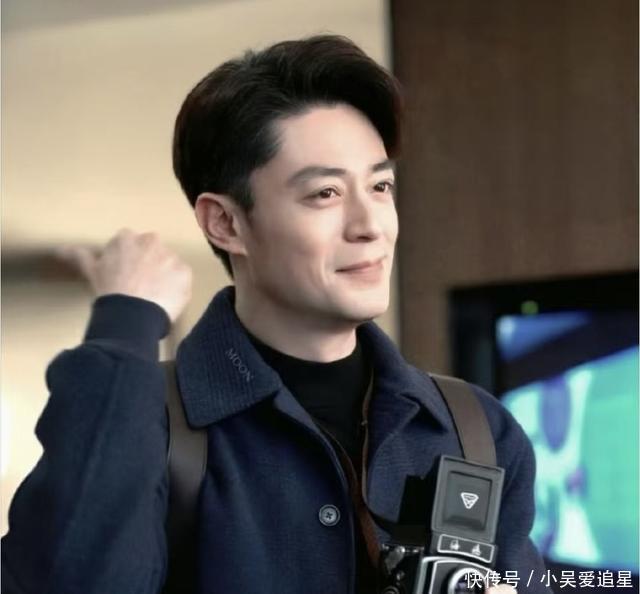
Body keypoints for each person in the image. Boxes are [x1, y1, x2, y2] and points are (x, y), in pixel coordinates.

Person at [1, 35, 549, 594]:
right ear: (225, 224)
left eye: (380, 186)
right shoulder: (150, 421)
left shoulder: (474, 428)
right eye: (325, 194)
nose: (370, 225)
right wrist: (125, 321)